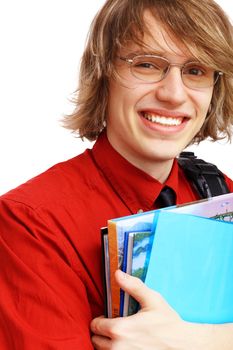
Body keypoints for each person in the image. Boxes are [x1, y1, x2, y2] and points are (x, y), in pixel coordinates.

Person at [0, 0, 233, 349]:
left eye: (196, 70)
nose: (173, 94)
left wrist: (205, 341)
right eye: (146, 65)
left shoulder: (220, 192)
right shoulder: (29, 223)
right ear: (103, 73)